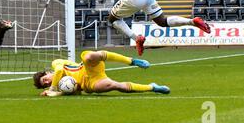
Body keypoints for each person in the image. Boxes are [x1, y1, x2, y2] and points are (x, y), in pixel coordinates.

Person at [33, 50, 170, 96]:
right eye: (45, 84)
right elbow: (76, 91)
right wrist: (57, 93)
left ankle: (132, 61)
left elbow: (59, 71)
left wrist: (52, 89)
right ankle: (152, 87)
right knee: (115, 86)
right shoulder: (61, 86)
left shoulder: (56, 63)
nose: (47, 81)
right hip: (90, 83)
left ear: (47, 72)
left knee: (89, 56)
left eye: (45, 78)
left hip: (88, 68)